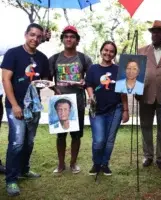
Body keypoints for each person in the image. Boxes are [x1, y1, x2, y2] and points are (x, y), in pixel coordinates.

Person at [1, 23, 50, 196]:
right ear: (25, 34)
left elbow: (45, 79)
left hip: (33, 108)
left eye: (38, 36)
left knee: (29, 142)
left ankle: (24, 169)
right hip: (16, 106)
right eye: (32, 35)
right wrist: (14, 105)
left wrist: (44, 83)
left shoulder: (42, 58)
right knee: (17, 143)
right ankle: (11, 179)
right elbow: (6, 80)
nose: (34, 39)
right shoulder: (13, 53)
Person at [49, 25, 92, 174]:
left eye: (72, 37)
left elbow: (91, 79)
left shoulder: (83, 58)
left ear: (77, 40)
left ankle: (73, 163)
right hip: (60, 102)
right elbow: (47, 80)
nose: (69, 39)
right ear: (62, 39)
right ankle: (61, 164)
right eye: (66, 36)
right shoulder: (54, 58)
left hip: (78, 102)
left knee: (76, 135)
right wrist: (55, 89)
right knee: (60, 136)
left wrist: (84, 83)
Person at [85, 41, 129, 176]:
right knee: (98, 140)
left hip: (115, 109)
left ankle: (105, 164)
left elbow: (123, 92)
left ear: (114, 54)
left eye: (111, 51)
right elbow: (89, 84)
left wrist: (126, 110)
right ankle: (96, 163)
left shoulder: (119, 70)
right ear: (101, 50)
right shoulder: (93, 68)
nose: (108, 53)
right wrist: (91, 96)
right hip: (96, 110)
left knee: (109, 140)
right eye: (106, 50)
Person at [137, 20, 161, 171]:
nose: (155, 34)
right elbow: (135, 72)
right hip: (144, 95)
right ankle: (148, 156)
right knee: (145, 126)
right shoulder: (141, 51)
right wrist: (135, 90)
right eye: (153, 31)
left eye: (159, 32)